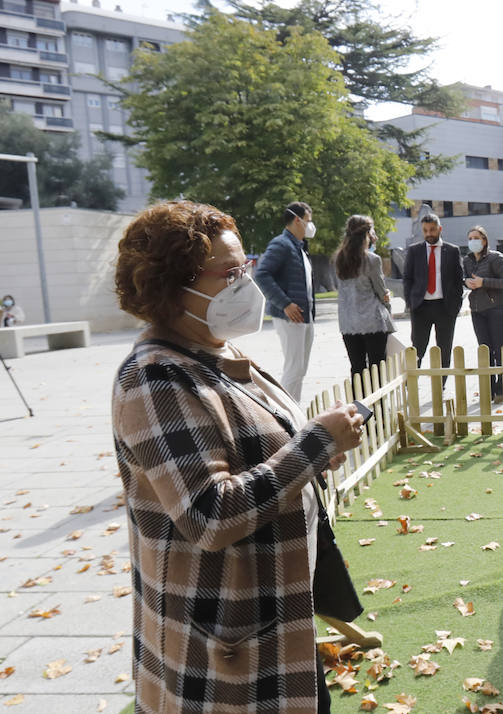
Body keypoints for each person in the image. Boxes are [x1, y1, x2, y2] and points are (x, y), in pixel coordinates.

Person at [111, 200, 365, 713]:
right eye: (230, 272)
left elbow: (260, 456)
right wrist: (314, 445)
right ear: (171, 285)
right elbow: (209, 514)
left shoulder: (214, 352)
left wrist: (314, 453)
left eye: (244, 266)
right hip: (222, 648)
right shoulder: (155, 376)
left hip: (275, 618)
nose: (245, 283)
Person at [255, 201, 318, 400]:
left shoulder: (298, 246)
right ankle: (287, 414)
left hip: (304, 316)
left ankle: (293, 410)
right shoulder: (281, 244)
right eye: (308, 221)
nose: (311, 226)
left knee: (299, 369)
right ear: (297, 220)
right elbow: (262, 275)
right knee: (294, 369)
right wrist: (285, 304)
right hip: (291, 316)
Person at [334, 214, 394, 379]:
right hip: (372, 322)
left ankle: (358, 405)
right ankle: (379, 404)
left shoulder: (339, 259)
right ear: (367, 234)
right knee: (377, 369)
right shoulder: (372, 260)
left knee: (357, 369)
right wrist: (388, 304)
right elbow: (381, 292)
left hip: (348, 323)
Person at [402, 213, 463, 373]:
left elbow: (458, 280)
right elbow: (407, 278)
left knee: (444, 348)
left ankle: (440, 384)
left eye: (432, 229)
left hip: (445, 308)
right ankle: (412, 383)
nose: (429, 233)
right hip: (421, 308)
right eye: (425, 230)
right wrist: (411, 303)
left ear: (439, 229)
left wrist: (456, 306)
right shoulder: (414, 251)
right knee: (417, 348)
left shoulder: (452, 251)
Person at [462, 225, 503, 402]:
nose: (473, 241)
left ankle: (502, 388)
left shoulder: (495, 257)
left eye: (476, 238)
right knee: (484, 350)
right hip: (477, 310)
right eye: (470, 238)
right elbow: (465, 279)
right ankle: (489, 389)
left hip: (497, 308)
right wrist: (466, 282)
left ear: (484, 240)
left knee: (499, 349)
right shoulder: (467, 260)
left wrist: (484, 282)